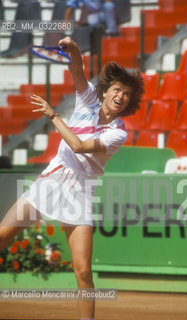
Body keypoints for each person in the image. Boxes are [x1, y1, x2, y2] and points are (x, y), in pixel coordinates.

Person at [0, 36, 144, 320]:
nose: (121, 96)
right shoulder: (87, 97)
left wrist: (53, 115)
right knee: (2, 236)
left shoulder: (118, 133)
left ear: (129, 102)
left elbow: (78, 146)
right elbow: (77, 69)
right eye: (117, 89)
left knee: (83, 270)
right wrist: (74, 48)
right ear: (104, 92)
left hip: (80, 193)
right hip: (51, 180)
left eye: (126, 94)